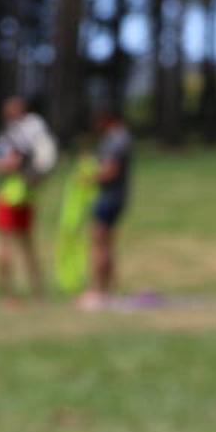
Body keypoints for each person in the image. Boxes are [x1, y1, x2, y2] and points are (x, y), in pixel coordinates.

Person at [0, 96, 51, 301]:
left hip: (9, 195)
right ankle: (37, 291)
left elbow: (7, 163)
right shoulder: (33, 130)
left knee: (6, 245)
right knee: (27, 244)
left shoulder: (11, 136)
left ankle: (9, 294)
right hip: (26, 193)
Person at [80, 110, 133, 310]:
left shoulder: (116, 140)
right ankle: (109, 290)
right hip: (117, 197)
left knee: (99, 243)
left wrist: (89, 178)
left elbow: (111, 172)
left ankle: (98, 291)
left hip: (109, 198)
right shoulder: (122, 137)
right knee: (107, 244)